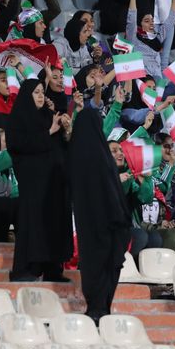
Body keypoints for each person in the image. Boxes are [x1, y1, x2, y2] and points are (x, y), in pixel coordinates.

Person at [6, 79, 72, 281]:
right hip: (33, 184)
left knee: (55, 222)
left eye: (42, 91)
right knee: (32, 224)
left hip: (54, 183)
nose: (41, 95)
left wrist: (66, 131)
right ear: (27, 95)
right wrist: (49, 132)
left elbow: (62, 148)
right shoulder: (18, 118)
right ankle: (27, 269)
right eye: (36, 92)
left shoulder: (50, 116)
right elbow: (18, 145)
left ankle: (53, 269)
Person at [69, 108, 131, 324]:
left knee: (93, 262)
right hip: (111, 220)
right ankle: (101, 307)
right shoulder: (102, 156)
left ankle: (96, 308)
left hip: (89, 222)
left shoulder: (75, 154)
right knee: (108, 263)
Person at [126, 0, 175, 78]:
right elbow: (131, 16)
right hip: (143, 80)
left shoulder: (157, 37)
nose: (151, 23)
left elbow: (171, 20)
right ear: (139, 24)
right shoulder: (133, 38)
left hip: (157, 80)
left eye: (152, 20)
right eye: (147, 21)